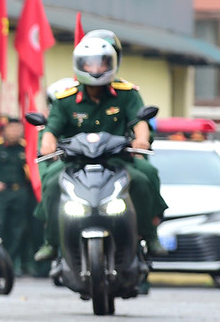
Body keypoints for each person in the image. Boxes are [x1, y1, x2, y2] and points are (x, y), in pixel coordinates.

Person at [33, 37, 164, 268]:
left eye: (101, 63)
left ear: (111, 64)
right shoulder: (66, 97)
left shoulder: (127, 93)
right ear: (79, 65)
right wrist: (48, 144)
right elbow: (51, 129)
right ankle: (51, 241)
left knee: (146, 176)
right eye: (89, 64)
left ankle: (150, 235)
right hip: (75, 162)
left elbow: (139, 121)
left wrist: (142, 140)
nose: (95, 69)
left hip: (118, 160)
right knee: (52, 181)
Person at [0, 118, 40, 276]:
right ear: (5, 130)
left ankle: (13, 264)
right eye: (12, 129)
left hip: (20, 192)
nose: (15, 132)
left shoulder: (25, 147)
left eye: (18, 129)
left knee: (19, 229)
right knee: (1, 227)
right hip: (1, 192)